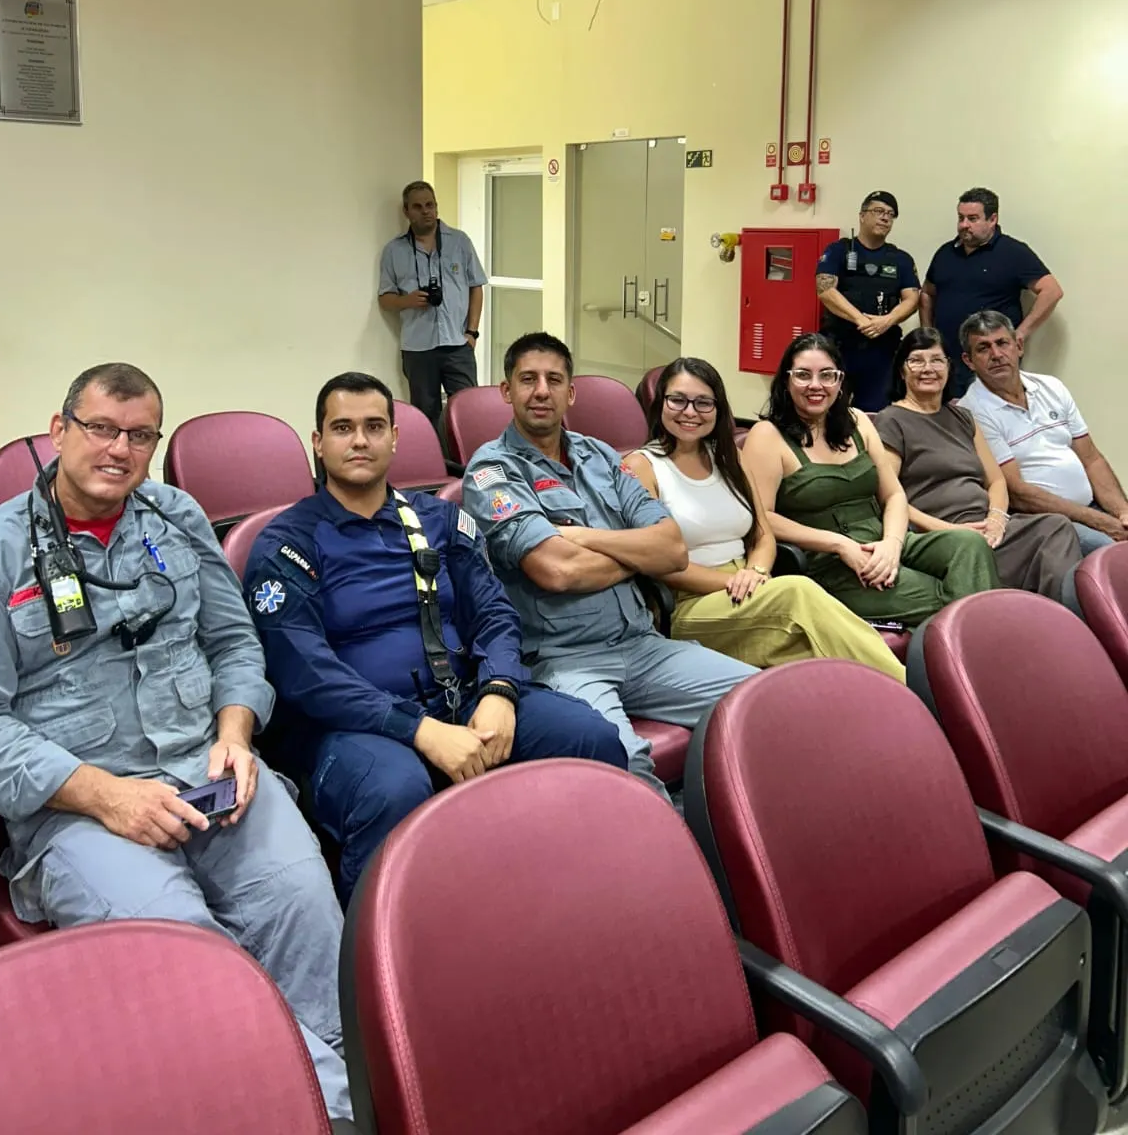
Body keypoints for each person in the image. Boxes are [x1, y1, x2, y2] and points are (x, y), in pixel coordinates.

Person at [0, 364, 351, 1123]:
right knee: (193, 963)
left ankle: (341, 1090)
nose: (119, 450)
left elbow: (235, 644)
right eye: (100, 429)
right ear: (59, 431)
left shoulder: (177, 517)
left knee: (308, 918)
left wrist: (236, 732)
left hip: (210, 773)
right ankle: (327, 1112)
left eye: (140, 435)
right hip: (82, 811)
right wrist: (105, 796)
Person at [243, 371, 626, 903]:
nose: (360, 440)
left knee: (590, 737)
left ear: (395, 438)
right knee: (394, 790)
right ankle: (376, 943)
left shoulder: (441, 519)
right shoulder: (287, 543)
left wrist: (499, 691)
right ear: (318, 442)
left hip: (462, 697)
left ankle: (586, 899)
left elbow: (495, 613)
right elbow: (305, 671)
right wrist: (418, 729)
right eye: (343, 428)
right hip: (353, 728)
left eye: (375, 426)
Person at [462, 332, 757, 797]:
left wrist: (583, 539)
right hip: (565, 660)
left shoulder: (599, 455)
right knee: (623, 759)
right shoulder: (491, 471)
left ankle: (737, 823)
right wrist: (636, 556)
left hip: (643, 646)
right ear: (506, 390)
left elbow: (673, 550)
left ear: (570, 393)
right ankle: (669, 842)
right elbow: (557, 570)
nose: (541, 391)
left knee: (761, 702)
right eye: (528, 379)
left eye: (554, 380)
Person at [622, 357, 904, 680]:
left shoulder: (728, 456)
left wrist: (755, 571)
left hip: (748, 589)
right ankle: (910, 690)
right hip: (688, 604)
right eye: (678, 400)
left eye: (703, 402)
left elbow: (762, 532)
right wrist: (733, 581)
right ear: (660, 403)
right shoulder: (642, 466)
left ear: (718, 409)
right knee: (799, 594)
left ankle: (889, 699)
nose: (690, 412)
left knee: (816, 654)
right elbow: (658, 563)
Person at [741, 334, 999, 627]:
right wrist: (839, 544)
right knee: (945, 597)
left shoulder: (857, 420)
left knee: (969, 544)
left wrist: (892, 544)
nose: (816, 385)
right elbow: (762, 516)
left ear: (840, 381)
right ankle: (974, 639)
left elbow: (894, 495)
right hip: (831, 561)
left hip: (884, 540)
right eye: (803, 375)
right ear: (786, 381)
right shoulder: (767, 435)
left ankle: (973, 635)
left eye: (827, 375)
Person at [874, 328, 1080, 603]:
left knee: (1056, 526)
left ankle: (1059, 621)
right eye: (916, 361)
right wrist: (950, 530)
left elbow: (996, 481)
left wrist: (996, 519)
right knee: (973, 547)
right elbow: (888, 497)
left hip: (987, 527)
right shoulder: (890, 420)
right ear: (902, 371)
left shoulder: (963, 417)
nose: (928, 369)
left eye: (937, 360)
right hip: (940, 534)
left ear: (949, 368)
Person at [959, 310, 1128, 557]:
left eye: (1002, 343)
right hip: (1047, 521)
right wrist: (1100, 522)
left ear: (1018, 346)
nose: (996, 355)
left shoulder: (1051, 386)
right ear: (969, 361)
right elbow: (1016, 492)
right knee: (1114, 555)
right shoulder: (971, 411)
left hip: (1094, 510)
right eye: (983, 348)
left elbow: (1091, 459)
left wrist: (1122, 513)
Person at [920, 187, 1062, 384]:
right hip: (947, 360)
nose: (964, 225)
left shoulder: (1013, 252)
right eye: (961, 218)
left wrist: (1020, 333)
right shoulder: (945, 253)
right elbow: (927, 293)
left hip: (992, 361)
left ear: (992, 219)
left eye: (972, 219)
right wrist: (928, 335)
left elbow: (1052, 291)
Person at [378, 180, 487, 429]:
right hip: (418, 348)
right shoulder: (393, 250)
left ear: (436, 207)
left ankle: (466, 454)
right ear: (406, 211)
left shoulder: (459, 241)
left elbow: (476, 286)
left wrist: (472, 333)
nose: (425, 211)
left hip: (457, 344)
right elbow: (384, 299)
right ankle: (434, 455)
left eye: (430, 205)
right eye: (417, 207)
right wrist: (407, 300)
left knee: (468, 411)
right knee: (425, 416)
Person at [816, 190, 920, 412]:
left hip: (881, 350)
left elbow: (912, 298)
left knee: (876, 413)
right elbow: (825, 290)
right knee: (828, 410)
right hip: (839, 346)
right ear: (862, 216)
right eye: (879, 211)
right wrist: (860, 319)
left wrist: (886, 321)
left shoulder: (900, 259)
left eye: (890, 214)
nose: (885, 218)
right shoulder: (838, 251)